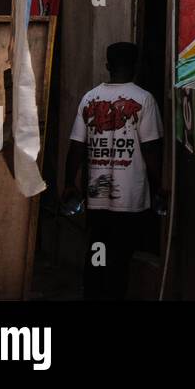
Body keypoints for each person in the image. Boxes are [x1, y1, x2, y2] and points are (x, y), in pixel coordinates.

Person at [64, 41, 163, 300]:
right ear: (136, 66)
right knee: (120, 257)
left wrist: (69, 183)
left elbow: (76, 146)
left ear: (108, 66)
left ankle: (93, 295)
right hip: (130, 198)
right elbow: (151, 149)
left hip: (96, 197)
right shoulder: (144, 99)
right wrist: (159, 185)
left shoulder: (90, 98)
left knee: (96, 250)